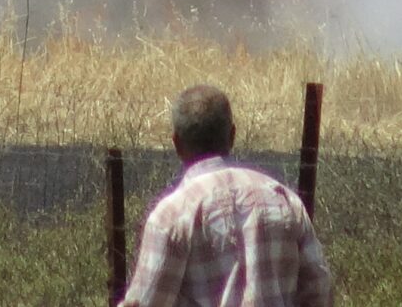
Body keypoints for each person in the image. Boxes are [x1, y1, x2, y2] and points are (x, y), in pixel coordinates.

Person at [119, 84, 332, 307]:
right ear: (232, 135)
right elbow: (319, 289)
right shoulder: (284, 201)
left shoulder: (171, 216)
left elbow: (145, 303)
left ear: (177, 144)